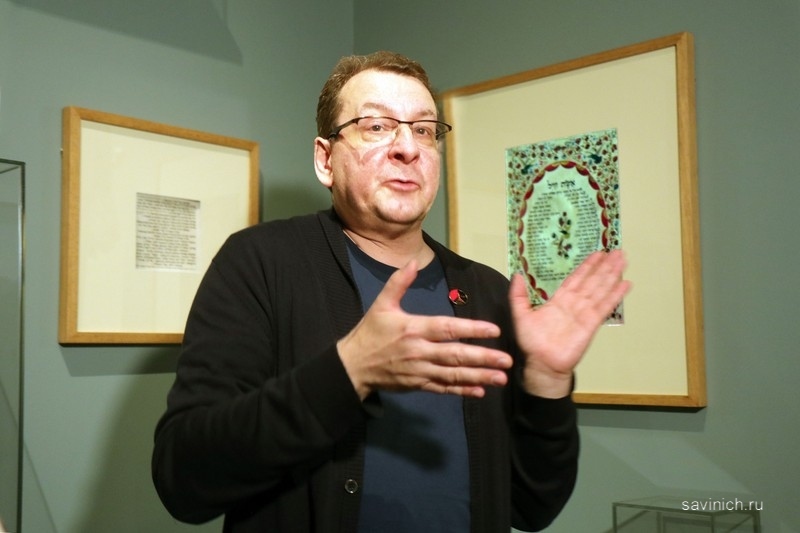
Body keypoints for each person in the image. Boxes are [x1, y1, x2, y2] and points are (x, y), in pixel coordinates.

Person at [152, 51, 630, 533]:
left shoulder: (487, 292)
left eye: (423, 130)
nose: (407, 147)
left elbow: (532, 506)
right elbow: (183, 479)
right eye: (376, 126)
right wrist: (349, 371)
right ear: (325, 160)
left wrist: (547, 380)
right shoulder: (260, 262)